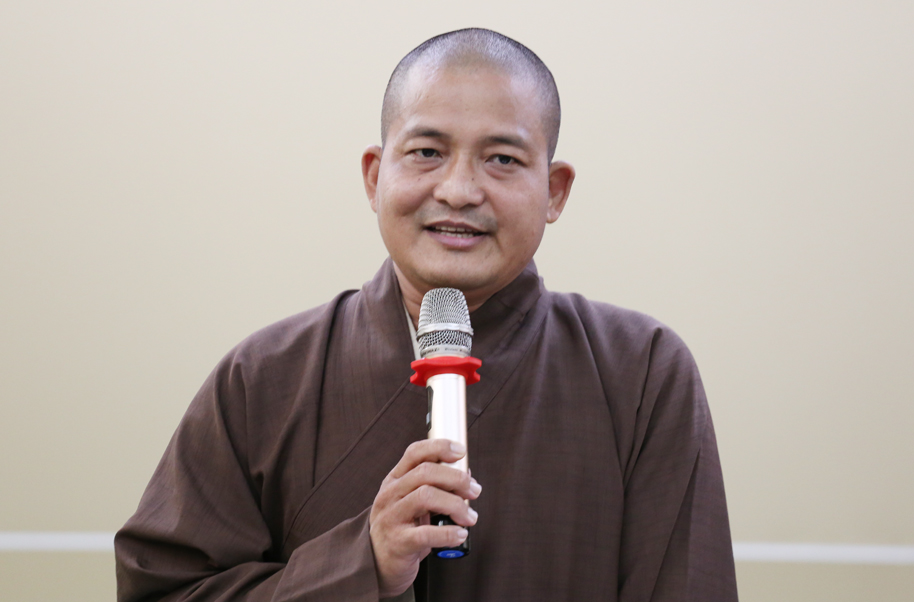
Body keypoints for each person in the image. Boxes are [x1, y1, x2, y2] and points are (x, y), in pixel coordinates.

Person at [115, 28, 738, 601]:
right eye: (426, 152)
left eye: (502, 159)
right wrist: (360, 563)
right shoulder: (265, 376)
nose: (459, 190)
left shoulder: (640, 372)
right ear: (374, 176)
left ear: (554, 191)